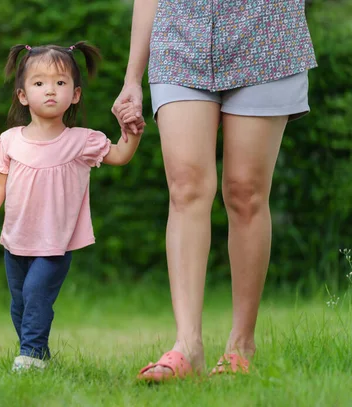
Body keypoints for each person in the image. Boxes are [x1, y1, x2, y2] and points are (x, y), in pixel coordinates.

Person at [112, 0, 318, 382]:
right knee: (186, 187)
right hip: (178, 38)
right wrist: (131, 78)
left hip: (266, 34)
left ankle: (241, 345)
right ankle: (187, 346)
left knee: (246, 192)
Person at [0, 41, 144, 371]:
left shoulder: (82, 140)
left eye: (60, 83)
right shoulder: (10, 141)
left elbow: (120, 156)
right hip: (16, 239)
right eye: (39, 83)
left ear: (75, 94)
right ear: (23, 95)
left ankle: (32, 356)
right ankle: (37, 352)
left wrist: (131, 133)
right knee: (21, 303)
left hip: (55, 242)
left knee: (37, 292)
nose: (50, 91)